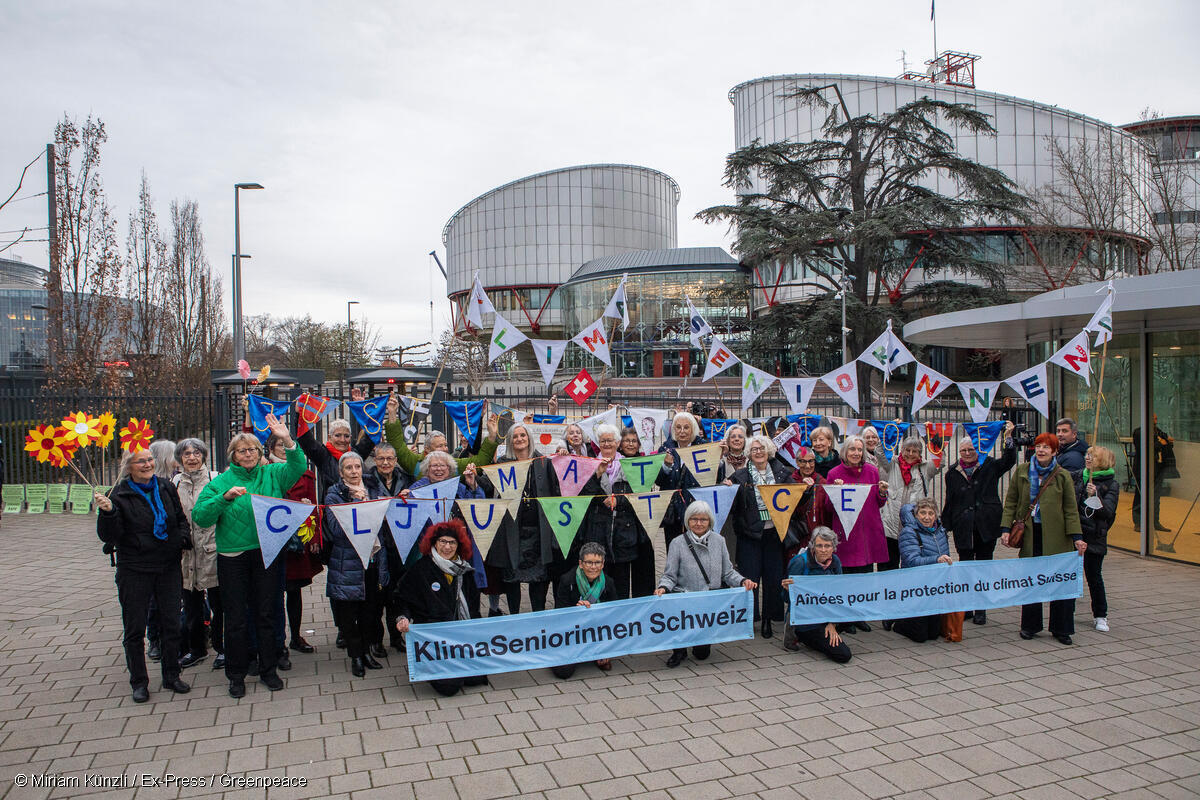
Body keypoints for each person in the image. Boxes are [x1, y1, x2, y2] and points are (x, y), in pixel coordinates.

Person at [192, 414, 306, 698]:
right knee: (236, 618)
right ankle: (237, 674)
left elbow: (298, 465)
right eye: (242, 450)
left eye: (253, 449)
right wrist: (224, 498)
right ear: (233, 455)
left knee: (266, 613)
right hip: (233, 558)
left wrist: (287, 439)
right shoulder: (221, 482)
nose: (248, 454)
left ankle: (268, 669)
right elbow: (201, 517)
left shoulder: (272, 474)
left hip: (267, 554)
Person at [95, 449, 193, 703]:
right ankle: (139, 682)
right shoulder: (118, 494)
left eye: (149, 459)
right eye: (141, 461)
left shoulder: (164, 487)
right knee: (135, 628)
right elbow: (109, 535)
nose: (148, 464)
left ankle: (172, 674)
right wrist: (108, 513)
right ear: (128, 467)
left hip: (168, 565)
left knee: (171, 623)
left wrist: (181, 539)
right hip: (135, 568)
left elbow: (181, 518)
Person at [1001, 432, 1085, 645]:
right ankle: (1030, 625)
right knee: (1031, 581)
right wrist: (1004, 529)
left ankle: (1061, 628)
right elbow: (1011, 501)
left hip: (1057, 538)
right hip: (1030, 535)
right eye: (1038, 446)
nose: (1041, 450)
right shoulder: (1021, 471)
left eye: (1046, 447)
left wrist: (1077, 537)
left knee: (1059, 583)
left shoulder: (1061, 475)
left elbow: (1070, 509)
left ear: (1054, 451)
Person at [654, 501, 757, 668]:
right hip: (685, 597)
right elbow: (670, 575)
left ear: (710, 521)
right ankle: (678, 651)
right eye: (694, 519)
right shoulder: (677, 543)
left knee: (702, 654)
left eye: (703, 519)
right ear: (688, 521)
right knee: (679, 626)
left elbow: (728, 572)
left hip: (708, 601)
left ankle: (700, 642)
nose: (698, 523)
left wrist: (743, 581)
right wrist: (663, 588)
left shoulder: (720, 541)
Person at [394, 521, 489, 696]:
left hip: (460, 636)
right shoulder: (421, 569)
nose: (447, 547)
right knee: (450, 688)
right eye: (443, 542)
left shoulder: (465, 570)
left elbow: (474, 608)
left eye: (452, 542)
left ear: (459, 545)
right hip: (434, 637)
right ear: (434, 543)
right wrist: (402, 617)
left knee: (475, 679)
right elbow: (402, 597)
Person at [478, 423, 562, 614]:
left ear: (529, 438)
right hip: (512, 530)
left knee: (539, 578)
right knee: (512, 578)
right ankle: (514, 617)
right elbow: (488, 485)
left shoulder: (543, 462)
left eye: (523, 435)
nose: (519, 439)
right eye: (515, 436)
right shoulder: (503, 462)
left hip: (538, 531)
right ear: (510, 441)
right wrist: (473, 479)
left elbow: (556, 490)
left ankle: (538, 615)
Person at [728, 435, 804, 639]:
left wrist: (806, 485)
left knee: (773, 577)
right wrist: (727, 488)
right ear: (748, 454)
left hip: (774, 533)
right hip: (749, 534)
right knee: (749, 577)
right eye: (754, 449)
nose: (758, 452)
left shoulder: (781, 472)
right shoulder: (741, 476)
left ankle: (770, 618)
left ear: (769, 450)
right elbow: (733, 506)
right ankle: (750, 617)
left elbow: (795, 496)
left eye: (761, 448)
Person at [323, 451, 390, 678]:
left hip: (372, 558)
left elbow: (385, 514)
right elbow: (334, 529)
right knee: (349, 612)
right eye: (348, 468)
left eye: (357, 467)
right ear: (341, 472)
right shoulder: (334, 494)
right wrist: (355, 503)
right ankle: (356, 656)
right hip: (347, 561)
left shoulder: (373, 488)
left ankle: (367, 651)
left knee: (370, 611)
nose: (354, 472)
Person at [941, 424, 1016, 625]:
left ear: (977, 451)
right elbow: (951, 500)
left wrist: (1008, 438)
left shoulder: (989, 465)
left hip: (986, 525)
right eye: (963, 450)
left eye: (971, 450)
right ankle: (966, 607)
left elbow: (1009, 461)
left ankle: (981, 608)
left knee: (983, 566)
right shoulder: (952, 472)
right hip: (963, 526)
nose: (967, 453)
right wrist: (945, 525)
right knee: (965, 567)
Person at [575, 424, 656, 599]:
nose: (606, 444)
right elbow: (583, 495)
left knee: (621, 582)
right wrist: (597, 475)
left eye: (610, 440)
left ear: (617, 443)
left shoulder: (629, 464)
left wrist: (618, 500)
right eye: (603, 441)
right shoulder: (590, 464)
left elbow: (639, 494)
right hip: (598, 530)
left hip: (624, 531)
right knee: (602, 580)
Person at [403, 451, 488, 618]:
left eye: (443, 466)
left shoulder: (458, 486)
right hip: (432, 552)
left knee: (466, 592)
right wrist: (403, 498)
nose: (439, 469)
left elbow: (479, 505)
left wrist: (473, 486)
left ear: (450, 470)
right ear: (427, 470)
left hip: (459, 550)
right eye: (434, 465)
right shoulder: (417, 489)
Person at [265, 432, 323, 658]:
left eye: (287, 446)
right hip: (272, 539)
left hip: (297, 542)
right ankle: (276, 642)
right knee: (273, 593)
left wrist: (315, 538)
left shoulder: (306, 476)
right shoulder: (264, 472)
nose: (283, 449)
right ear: (271, 448)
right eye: (279, 445)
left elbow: (315, 508)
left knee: (294, 592)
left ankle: (296, 636)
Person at [823, 435, 889, 633]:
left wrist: (883, 493)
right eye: (852, 449)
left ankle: (860, 615)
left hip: (868, 530)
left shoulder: (872, 471)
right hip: (846, 531)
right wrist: (835, 491)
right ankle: (845, 619)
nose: (856, 453)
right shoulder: (834, 473)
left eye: (859, 450)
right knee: (847, 576)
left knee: (865, 576)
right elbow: (827, 506)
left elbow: (879, 502)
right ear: (845, 452)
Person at [173, 438, 221, 670]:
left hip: (212, 549)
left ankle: (223, 648)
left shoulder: (215, 479)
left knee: (219, 603)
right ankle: (196, 648)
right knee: (191, 605)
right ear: (180, 458)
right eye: (186, 454)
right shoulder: (174, 483)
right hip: (186, 554)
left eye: (196, 453)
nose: (192, 458)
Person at [384, 393, 499, 478]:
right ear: (427, 449)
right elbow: (397, 446)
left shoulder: (454, 465)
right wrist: (392, 414)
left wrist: (492, 435)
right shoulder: (415, 463)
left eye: (445, 445)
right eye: (439, 446)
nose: (445, 449)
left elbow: (480, 461)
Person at [780, 528, 851, 663]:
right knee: (844, 655)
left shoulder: (835, 562)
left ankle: (826, 634)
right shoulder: (800, 562)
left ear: (833, 547)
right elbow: (785, 599)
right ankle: (798, 635)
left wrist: (832, 623)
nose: (823, 550)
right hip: (806, 620)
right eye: (819, 546)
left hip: (826, 615)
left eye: (827, 546)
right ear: (812, 546)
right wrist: (788, 590)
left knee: (855, 613)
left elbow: (839, 596)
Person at [366, 442, 409, 652]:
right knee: (376, 596)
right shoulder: (367, 481)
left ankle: (395, 636)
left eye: (390, 458)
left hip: (399, 544)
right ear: (375, 460)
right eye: (381, 459)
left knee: (396, 595)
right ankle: (375, 639)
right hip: (376, 545)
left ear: (395, 460)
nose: (385, 463)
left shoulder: (404, 479)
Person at [551, 542, 618, 678]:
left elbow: (614, 615)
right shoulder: (567, 581)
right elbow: (559, 615)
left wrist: (607, 647)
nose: (593, 567)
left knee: (604, 662)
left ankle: (595, 651)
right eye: (589, 563)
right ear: (581, 564)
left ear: (603, 564)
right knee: (563, 672)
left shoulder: (608, 583)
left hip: (597, 630)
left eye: (597, 563)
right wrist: (575, 611)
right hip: (572, 632)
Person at [891, 499, 953, 643]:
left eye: (931, 513)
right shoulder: (909, 532)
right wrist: (936, 559)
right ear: (916, 515)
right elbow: (912, 561)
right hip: (915, 586)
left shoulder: (941, 531)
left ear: (936, 515)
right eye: (923, 513)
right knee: (921, 637)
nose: (927, 517)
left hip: (934, 586)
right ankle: (898, 623)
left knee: (934, 634)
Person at [1078, 446, 1119, 632]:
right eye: (1087, 455)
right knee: (1070, 575)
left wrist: (1096, 496)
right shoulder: (1080, 476)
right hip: (1077, 534)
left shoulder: (1111, 484)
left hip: (1095, 537)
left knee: (1094, 577)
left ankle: (1100, 615)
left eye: (1092, 456)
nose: (1088, 458)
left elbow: (1108, 512)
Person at [657, 411, 709, 545]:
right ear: (674, 430)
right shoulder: (664, 449)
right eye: (678, 427)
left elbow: (713, 478)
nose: (682, 431)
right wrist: (666, 466)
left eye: (686, 427)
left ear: (693, 429)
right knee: (674, 550)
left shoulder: (704, 447)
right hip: (673, 512)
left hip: (697, 510)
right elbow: (658, 481)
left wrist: (718, 461)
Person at [1131, 415, 1176, 532]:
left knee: (1156, 497)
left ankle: (1155, 521)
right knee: (1140, 495)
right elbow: (1148, 447)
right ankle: (1138, 522)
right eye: (1154, 419)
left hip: (1157, 469)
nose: (1156, 421)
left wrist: (1163, 442)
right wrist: (1161, 443)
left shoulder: (1158, 431)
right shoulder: (1139, 432)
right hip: (1143, 469)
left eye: (1156, 419)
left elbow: (1167, 442)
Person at [789, 446, 829, 543]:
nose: (807, 466)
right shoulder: (790, 482)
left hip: (818, 534)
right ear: (797, 462)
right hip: (799, 534)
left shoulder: (822, 482)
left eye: (811, 461)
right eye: (803, 461)